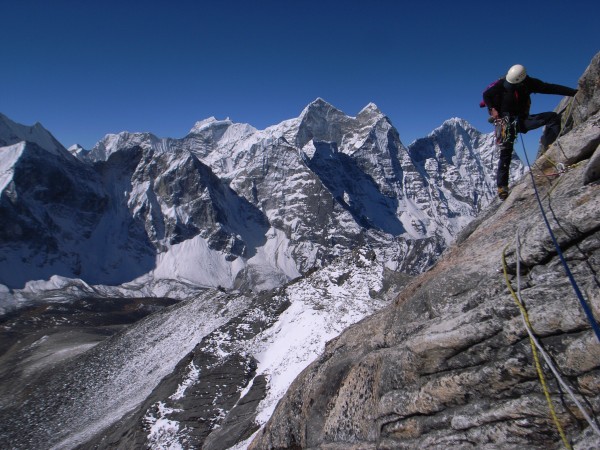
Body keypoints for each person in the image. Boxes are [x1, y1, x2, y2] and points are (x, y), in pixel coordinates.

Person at [482, 64, 577, 200]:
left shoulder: (529, 83)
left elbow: (550, 88)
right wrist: (492, 109)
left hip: (522, 120)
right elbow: (487, 95)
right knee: (506, 153)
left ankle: (548, 143)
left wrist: (573, 92)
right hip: (506, 123)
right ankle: (502, 186)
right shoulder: (502, 84)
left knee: (553, 118)